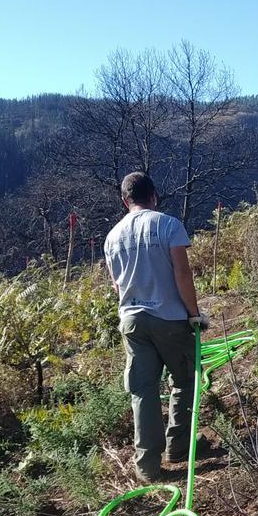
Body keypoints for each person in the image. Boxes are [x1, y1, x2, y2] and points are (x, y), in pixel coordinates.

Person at [104, 172, 209, 483]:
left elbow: (116, 286)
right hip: (170, 318)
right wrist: (194, 314)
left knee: (143, 391)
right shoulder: (167, 225)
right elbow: (182, 274)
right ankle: (180, 446)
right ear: (154, 195)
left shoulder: (112, 237)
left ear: (125, 201)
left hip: (132, 322)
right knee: (186, 379)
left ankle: (147, 466)